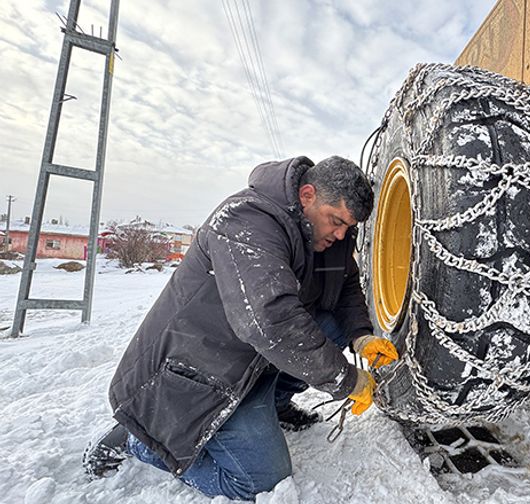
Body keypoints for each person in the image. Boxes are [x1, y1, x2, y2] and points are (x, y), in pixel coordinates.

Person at [82, 156, 399, 500]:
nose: (340, 235)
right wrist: (347, 380)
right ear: (307, 195)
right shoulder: (245, 220)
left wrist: (361, 336)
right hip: (203, 375)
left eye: (347, 228)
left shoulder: (326, 234)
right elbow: (271, 321)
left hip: (252, 365)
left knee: (330, 325)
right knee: (262, 481)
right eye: (336, 221)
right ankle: (141, 441)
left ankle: (275, 403)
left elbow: (346, 284)